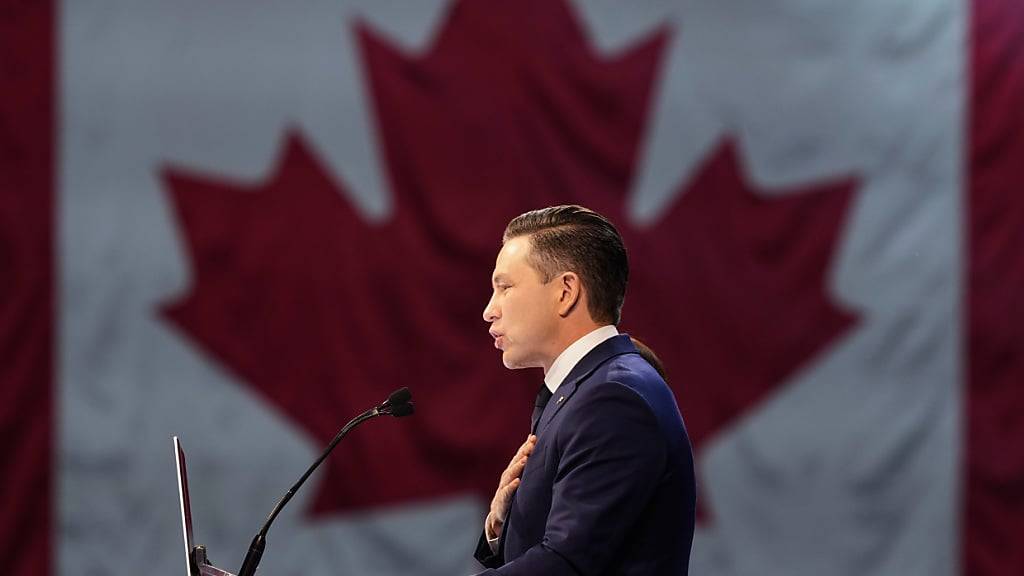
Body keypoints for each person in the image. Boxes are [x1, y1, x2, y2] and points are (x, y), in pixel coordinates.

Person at [474, 205, 695, 575]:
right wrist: (502, 526)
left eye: (505, 287)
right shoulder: (588, 389)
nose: (489, 310)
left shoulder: (612, 399)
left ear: (566, 291)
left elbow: (567, 564)